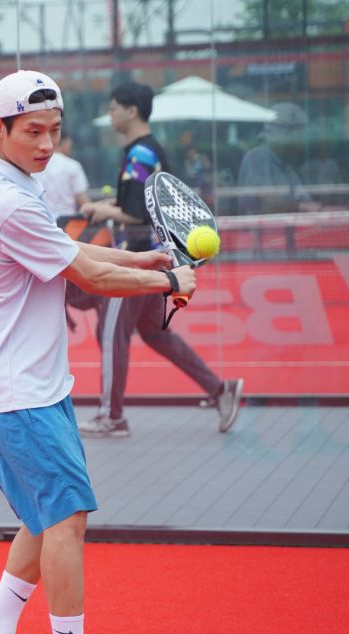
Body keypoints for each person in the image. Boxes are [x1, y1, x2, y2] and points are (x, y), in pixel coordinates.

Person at [0, 69, 200, 634]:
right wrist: (170, 280)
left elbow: (69, 251)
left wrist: (146, 262)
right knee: (67, 522)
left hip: (24, 386)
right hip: (17, 391)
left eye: (54, 130)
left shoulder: (10, 178)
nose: (47, 144)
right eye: (32, 132)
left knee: (45, 520)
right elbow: (89, 275)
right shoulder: (6, 198)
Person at [79, 81, 244, 437]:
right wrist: (106, 207)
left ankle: (112, 416)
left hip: (138, 258)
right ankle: (220, 390)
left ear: (131, 111)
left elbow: (138, 215)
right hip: (154, 257)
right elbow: (136, 208)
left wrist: (101, 209)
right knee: (156, 333)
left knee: (110, 334)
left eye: (113, 109)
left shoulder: (140, 154)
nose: (110, 115)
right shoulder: (146, 151)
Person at [237, 102, 318, 215]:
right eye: (297, 136)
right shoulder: (257, 158)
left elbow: (304, 199)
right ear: (282, 135)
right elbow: (268, 203)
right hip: (262, 230)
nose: (300, 145)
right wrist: (298, 206)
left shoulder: (286, 165)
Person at [35, 134, 90, 219]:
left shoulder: (35, 166)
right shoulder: (72, 165)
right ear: (64, 143)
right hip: (69, 224)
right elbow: (83, 201)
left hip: (42, 221)